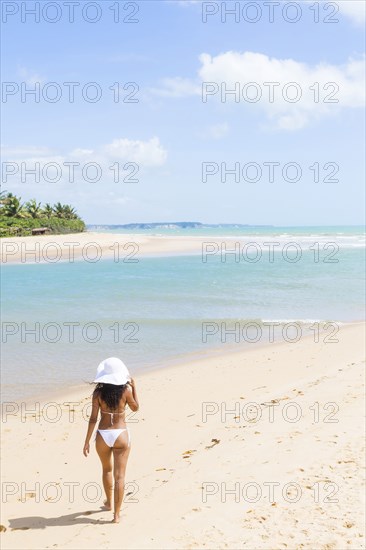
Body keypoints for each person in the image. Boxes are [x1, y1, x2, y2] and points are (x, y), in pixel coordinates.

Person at [83, 357, 139, 523]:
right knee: (120, 476)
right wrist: (135, 388)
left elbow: (93, 419)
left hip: (103, 434)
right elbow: (136, 408)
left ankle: (108, 503)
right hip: (120, 434)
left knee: (107, 469)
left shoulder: (98, 393)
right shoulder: (126, 391)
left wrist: (86, 441)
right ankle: (116, 515)